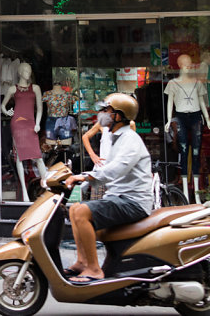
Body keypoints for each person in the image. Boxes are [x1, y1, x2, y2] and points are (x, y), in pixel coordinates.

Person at [63, 93, 152, 283]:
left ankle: (94, 270)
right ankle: (81, 262)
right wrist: (78, 181)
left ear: (118, 116)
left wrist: (84, 176)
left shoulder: (130, 139)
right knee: (74, 210)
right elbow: (104, 168)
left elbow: (115, 170)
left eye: (106, 111)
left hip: (133, 202)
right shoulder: (114, 138)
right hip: (118, 197)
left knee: (81, 213)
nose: (101, 114)